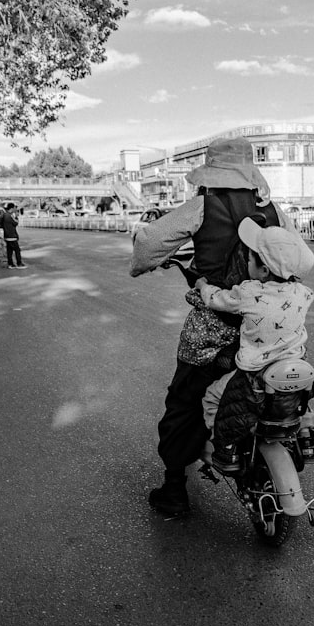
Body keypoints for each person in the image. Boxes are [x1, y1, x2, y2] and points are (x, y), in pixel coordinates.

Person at [130, 135, 293, 515]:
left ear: (212, 171)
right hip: (266, 325)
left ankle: (174, 489)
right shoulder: (272, 211)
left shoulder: (203, 205)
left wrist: (143, 264)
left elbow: (150, 242)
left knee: (183, 400)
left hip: (213, 327)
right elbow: (292, 255)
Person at [194, 217, 314, 471]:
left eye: (250, 258)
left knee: (212, 397)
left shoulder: (249, 292)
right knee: (298, 401)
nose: (246, 261)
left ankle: (226, 449)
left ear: (263, 271)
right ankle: (306, 436)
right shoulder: (303, 293)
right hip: (294, 369)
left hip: (255, 376)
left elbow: (217, 299)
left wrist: (203, 285)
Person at [0, 202, 26, 268]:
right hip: (12, 236)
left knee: (9, 251)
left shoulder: (4, 215)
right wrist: (16, 217)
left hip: (7, 236)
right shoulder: (9, 216)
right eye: (14, 208)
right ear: (12, 208)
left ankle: (10, 264)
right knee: (17, 250)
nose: (15, 209)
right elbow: (16, 223)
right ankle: (19, 263)